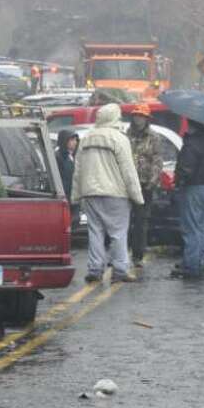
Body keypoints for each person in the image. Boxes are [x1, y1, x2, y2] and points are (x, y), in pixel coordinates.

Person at [70, 103, 143, 283]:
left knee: (95, 232)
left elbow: (77, 170)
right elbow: (128, 171)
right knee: (118, 233)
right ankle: (119, 270)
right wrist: (137, 196)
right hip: (115, 193)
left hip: (90, 192)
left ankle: (95, 269)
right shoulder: (119, 139)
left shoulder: (86, 138)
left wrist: (76, 195)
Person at [171, 119, 204, 279]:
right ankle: (198, 260)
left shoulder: (192, 143)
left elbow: (186, 168)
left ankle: (191, 265)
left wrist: (179, 181)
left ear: (191, 125)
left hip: (194, 187)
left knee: (191, 228)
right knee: (202, 225)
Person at [126, 104, 163, 268]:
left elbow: (157, 161)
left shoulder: (154, 137)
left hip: (144, 184)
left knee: (141, 221)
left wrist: (152, 182)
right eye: (136, 116)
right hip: (127, 183)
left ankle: (138, 255)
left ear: (147, 119)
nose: (138, 119)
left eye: (141, 116)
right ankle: (120, 254)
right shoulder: (126, 135)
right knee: (123, 220)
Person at [56, 129, 78, 202]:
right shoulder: (58, 157)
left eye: (75, 140)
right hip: (65, 198)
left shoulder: (74, 156)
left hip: (75, 197)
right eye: (72, 140)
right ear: (64, 141)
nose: (75, 142)